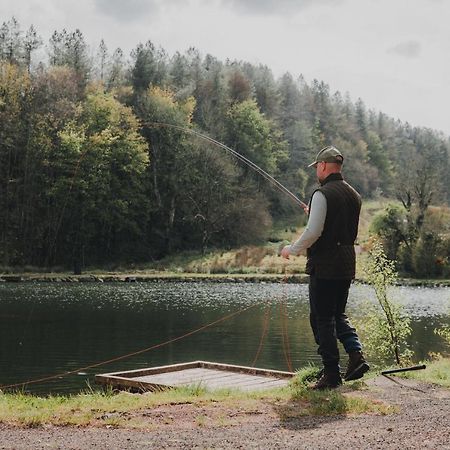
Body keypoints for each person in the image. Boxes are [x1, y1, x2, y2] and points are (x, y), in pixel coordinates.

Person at [281, 145, 369, 390]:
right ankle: (356, 355)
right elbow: (337, 223)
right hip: (346, 263)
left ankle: (331, 374)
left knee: (322, 318)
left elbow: (314, 232)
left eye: (316, 168)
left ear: (322, 166)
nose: (316, 172)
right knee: (337, 313)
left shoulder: (322, 194)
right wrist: (316, 212)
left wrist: (292, 249)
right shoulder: (354, 194)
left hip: (325, 266)